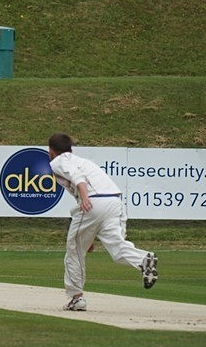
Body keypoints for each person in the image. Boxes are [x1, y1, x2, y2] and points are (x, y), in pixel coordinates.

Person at [48, 133, 158, 311]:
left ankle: (76, 298)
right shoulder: (83, 161)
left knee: (74, 250)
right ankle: (143, 259)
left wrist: (84, 198)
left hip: (93, 201)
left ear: (51, 151)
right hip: (114, 201)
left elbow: (77, 177)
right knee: (116, 246)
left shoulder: (58, 161)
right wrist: (89, 237)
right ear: (71, 148)